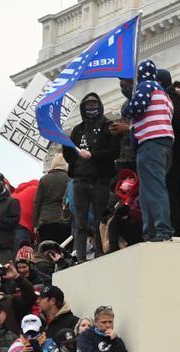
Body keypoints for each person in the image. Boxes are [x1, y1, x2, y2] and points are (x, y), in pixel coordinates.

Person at [124, 59, 177, 243]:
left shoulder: (147, 86)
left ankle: (161, 229)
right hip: (165, 144)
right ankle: (151, 230)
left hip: (150, 143)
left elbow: (137, 107)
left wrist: (126, 109)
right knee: (149, 189)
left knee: (153, 189)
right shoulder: (165, 95)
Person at [64, 92, 121, 257]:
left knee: (98, 220)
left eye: (94, 104)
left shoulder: (108, 127)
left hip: (100, 180)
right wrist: (68, 146)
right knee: (80, 223)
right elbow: (69, 157)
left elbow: (114, 152)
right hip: (80, 180)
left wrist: (93, 154)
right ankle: (81, 257)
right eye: (87, 105)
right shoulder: (77, 130)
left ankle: (100, 253)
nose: (91, 108)